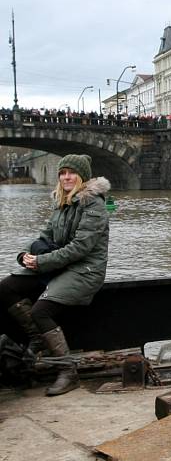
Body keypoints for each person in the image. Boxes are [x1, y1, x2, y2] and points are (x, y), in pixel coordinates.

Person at [0, 154, 110, 396]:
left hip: (85, 270)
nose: (66, 177)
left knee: (41, 311)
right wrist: (25, 255)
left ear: (82, 177)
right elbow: (44, 236)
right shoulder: (61, 201)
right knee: (6, 288)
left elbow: (81, 247)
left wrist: (41, 261)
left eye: (71, 173)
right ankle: (38, 339)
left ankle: (67, 371)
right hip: (59, 266)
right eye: (62, 173)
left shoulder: (94, 204)